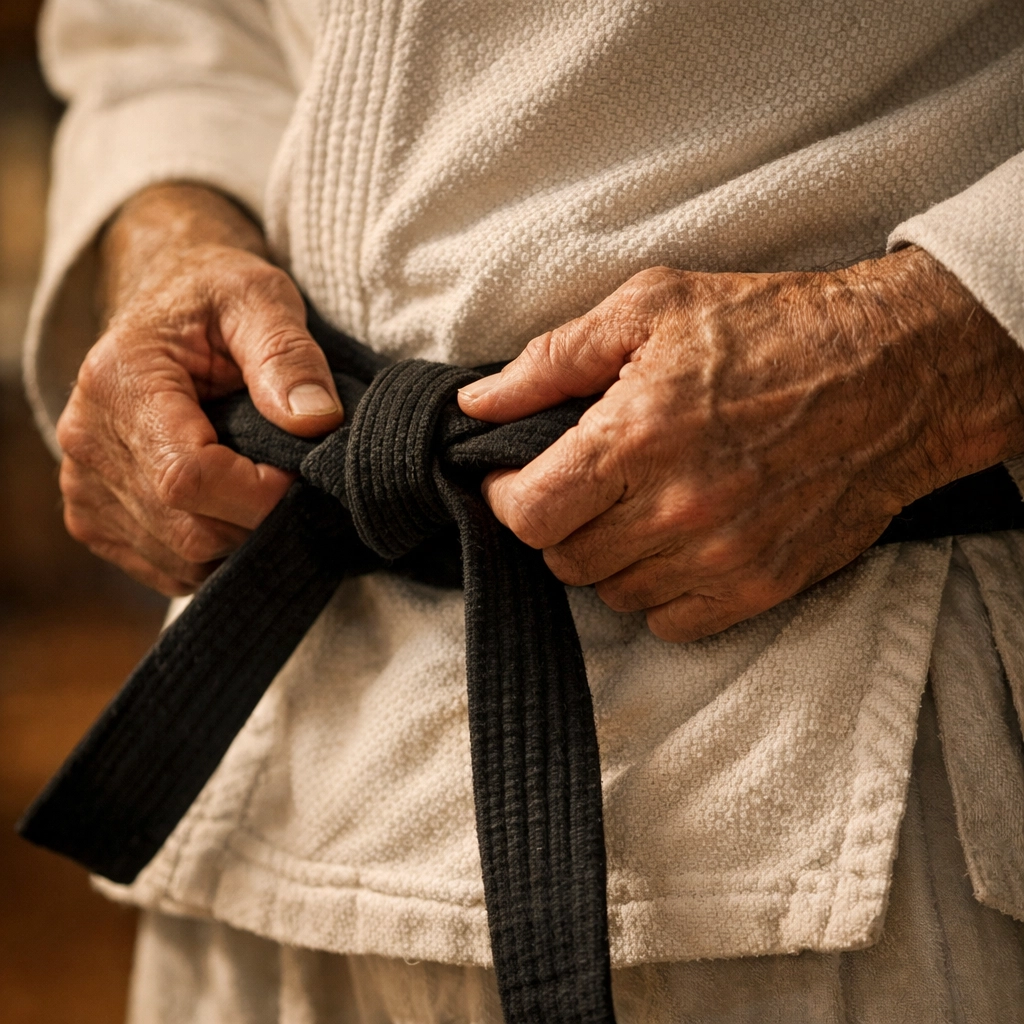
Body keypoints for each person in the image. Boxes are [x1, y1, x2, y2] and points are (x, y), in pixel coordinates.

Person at [24, 0, 1024, 1020]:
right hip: (283, 761)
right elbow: (162, 30)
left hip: (838, 731)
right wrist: (166, 233)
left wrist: (937, 342)